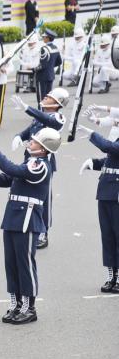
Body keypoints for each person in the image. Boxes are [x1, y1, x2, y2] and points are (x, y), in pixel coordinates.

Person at [0, 128, 61, 324]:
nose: (30, 142)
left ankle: (29, 306)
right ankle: (15, 302)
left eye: (35, 141)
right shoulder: (31, 162)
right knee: (11, 263)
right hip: (14, 215)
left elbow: (13, 170)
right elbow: (10, 178)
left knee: (24, 263)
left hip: (27, 218)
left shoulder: (41, 165)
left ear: (44, 148)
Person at [10, 88, 68, 249]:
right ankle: (31, 226)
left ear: (57, 103)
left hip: (44, 162)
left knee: (43, 199)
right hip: (29, 159)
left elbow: (49, 121)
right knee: (28, 195)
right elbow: (28, 131)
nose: (45, 97)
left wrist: (27, 109)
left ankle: (44, 231)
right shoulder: (39, 116)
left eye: (49, 97)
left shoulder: (57, 117)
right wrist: (18, 136)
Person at [79, 119, 119, 293]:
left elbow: (111, 148)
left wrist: (92, 134)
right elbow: (110, 159)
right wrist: (94, 163)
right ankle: (111, 275)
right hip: (106, 191)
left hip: (117, 193)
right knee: (108, 236)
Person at [36, 29, 62, 102]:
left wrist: (33, 69)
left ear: (47, 38)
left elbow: (42, 65)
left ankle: (41, 113)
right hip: (50, 75)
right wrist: (50, 67)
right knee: (48, 99)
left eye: (44, 37)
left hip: (42, 77)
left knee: (42, 99)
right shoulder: (55, 48)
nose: (43, 38)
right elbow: (59, 62)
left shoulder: (44, 49)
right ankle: (47, 113)